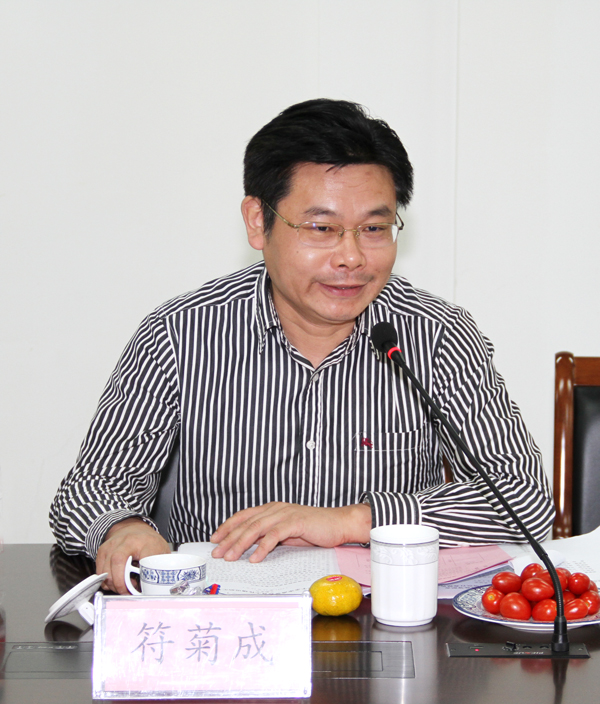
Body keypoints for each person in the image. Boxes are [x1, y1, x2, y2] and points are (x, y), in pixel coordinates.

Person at [50, 99, 554, 594]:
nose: (352, 257)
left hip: (383, 619)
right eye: (322, 228)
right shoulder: (181, 334)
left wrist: (352, 521)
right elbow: (90, 488)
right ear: (257, 221)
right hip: (222, 616)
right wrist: (122, 529)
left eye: (374, 229)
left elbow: (524, 498)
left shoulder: (436, 335)